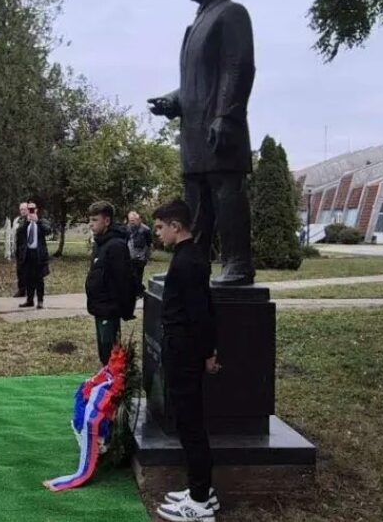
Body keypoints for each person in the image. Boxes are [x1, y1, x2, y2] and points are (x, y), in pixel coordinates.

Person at [148, 0, 256, 286]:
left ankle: (238, 265)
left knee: (227, 200)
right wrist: (173, 100)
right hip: (195, 136)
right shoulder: (196, 25)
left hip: (220, 131)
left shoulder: (231, 14)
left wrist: (226, 115)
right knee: (195, 209)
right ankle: (191, 267)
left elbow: (238, 68)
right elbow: (197, 82)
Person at [152, 199, 220, 522]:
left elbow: (200, 314)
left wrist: (208, 353)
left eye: (160, 227)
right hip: (183, 349)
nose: (157, 233)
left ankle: (199, 501)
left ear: (175, 227)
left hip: (185, 353)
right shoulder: (188, 256)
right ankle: (201, 489)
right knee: (188, 422)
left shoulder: (188, 261)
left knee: (191, 425)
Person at [84, 201, 135, 365]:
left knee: (110, 352)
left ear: (107, 221)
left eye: (95, 220)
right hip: (98, 307)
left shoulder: (116, 246)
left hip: (109, 309)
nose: (91, 224)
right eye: (90, 220)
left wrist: (124, 309)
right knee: (103, 352)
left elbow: (123, 281)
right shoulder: (99, 243)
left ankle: (113, 379)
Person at [16, 202, 51, 309]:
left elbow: (48, 231)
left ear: (36, 210)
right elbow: (19, 232)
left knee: (39, 279)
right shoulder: (23, 221)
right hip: (27, 254)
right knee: (28, 278)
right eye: (29, 209)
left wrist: (37, 222)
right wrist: (27, 222)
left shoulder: (42, 221)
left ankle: (40, 301)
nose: (30, 211)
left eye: (32, 209)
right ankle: (29, 300)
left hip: (38, 254)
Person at [127, 211, 152, 297]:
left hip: (140, 257)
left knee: (138, 275)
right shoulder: (127, 228)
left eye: (133, 220)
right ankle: (138, 291)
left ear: (138, 219)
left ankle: (138, 292)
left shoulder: (145, 230)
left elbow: (149, 244)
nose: (132, 222)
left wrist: (147, 257)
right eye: (130, 220)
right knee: (131, 276)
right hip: (130, 257)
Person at [13, 202, 29, 298]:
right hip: (19, 248)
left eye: (24, 209)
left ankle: (30, 289)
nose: (22, 211)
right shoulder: (18, 220)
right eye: (21, 209)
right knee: (20, 270)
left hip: (28, 249)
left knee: (29, 270)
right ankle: (21, 289)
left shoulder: (30, 220)